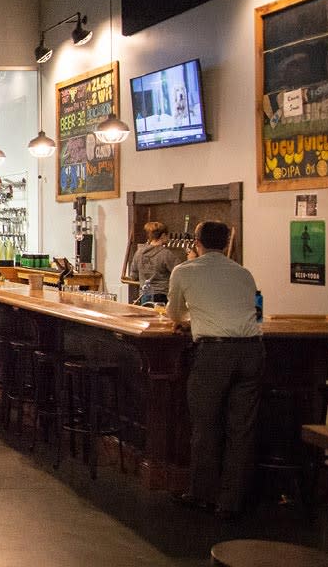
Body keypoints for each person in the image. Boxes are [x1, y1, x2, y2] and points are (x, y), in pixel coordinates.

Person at [166, 220, 263, 519]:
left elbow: (174, 313)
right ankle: (231, 502)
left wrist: (192, 320)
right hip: (252, 350)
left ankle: (202, 494)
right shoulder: (243, 272)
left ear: (196, 242)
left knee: (206, 425)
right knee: (241, 429)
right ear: (226, 242)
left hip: (215, 353)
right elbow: (255, 312)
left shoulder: (184, 271)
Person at [127, 221, 183, 305]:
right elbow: (180, 272)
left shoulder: (139, 252)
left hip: (144, 295)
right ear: (163, 236)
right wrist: (191, 259)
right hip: (161, 296)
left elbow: (133, 276)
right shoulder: (166, 254)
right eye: (167, 235)